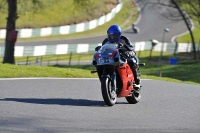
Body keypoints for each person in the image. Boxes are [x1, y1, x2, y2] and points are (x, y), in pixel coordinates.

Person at [100, 24, 141, 89]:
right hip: (111, 58)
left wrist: (128, 53)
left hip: (123, 57)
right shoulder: (105, 41)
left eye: (114, 36)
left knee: (132, 61)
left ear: (119, 34)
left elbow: (132, 49)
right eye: (110, 36)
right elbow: (102, 50)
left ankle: (137, 81)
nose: (112, 38)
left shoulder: (124, 39)